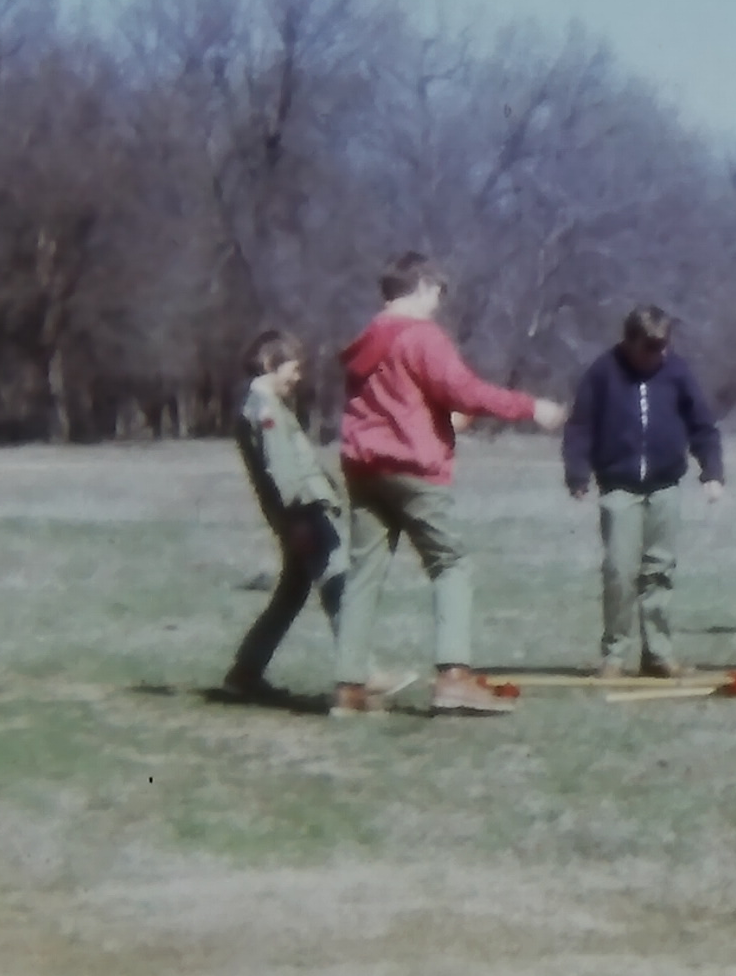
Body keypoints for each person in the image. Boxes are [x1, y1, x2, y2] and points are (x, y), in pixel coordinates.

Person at [332, 251, 563, 717]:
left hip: (363, 469)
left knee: (364, 576)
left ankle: (349, 688)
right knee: (451, 564)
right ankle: (454, 677)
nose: (439, 304)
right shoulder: (420, 337)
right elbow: (464, 390)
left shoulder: (365, 342)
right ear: (419, 288)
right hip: (414, 470)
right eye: (437, 293)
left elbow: (400, 401)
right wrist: (530, 408)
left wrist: (445, 419)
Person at [561, 304, 727, 678]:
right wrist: (577, 473)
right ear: (630, 341)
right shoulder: (603, 373)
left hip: (665, 485)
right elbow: (580, 426)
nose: (658, 354)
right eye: (650, 347)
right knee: (620, 570)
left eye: (663, 346)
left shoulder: (677, 372)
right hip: (619, 486)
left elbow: (703, 426)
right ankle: (615, 654)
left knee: (660, 570)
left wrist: (711, 471)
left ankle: (658, 653)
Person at [222, 327, 349, 701]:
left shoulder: (267, 406)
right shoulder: (265, 409)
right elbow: (282, 471)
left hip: (300, 515)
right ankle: (359, 675)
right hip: (304, 516)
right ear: (269, 363)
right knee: (339, 585)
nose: (298, 377)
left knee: (291, 594)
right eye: (293, 368)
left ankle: (245, 673)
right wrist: (300, 522)